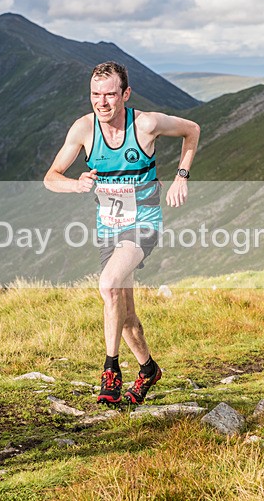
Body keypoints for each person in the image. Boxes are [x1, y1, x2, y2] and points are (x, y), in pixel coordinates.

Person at [44, 61, 200, 405]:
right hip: (108, 228)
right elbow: (51, 176)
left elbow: (192, 129)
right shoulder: (83, 130)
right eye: (95, 95)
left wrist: (181, 176)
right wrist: (76, 184)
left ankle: (110, 369)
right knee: (124, 314)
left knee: (108, 285)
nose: (102, 102)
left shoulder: (146, 124)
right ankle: (148, 370)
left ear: (125, 94)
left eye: (110, 95)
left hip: (143, 222)